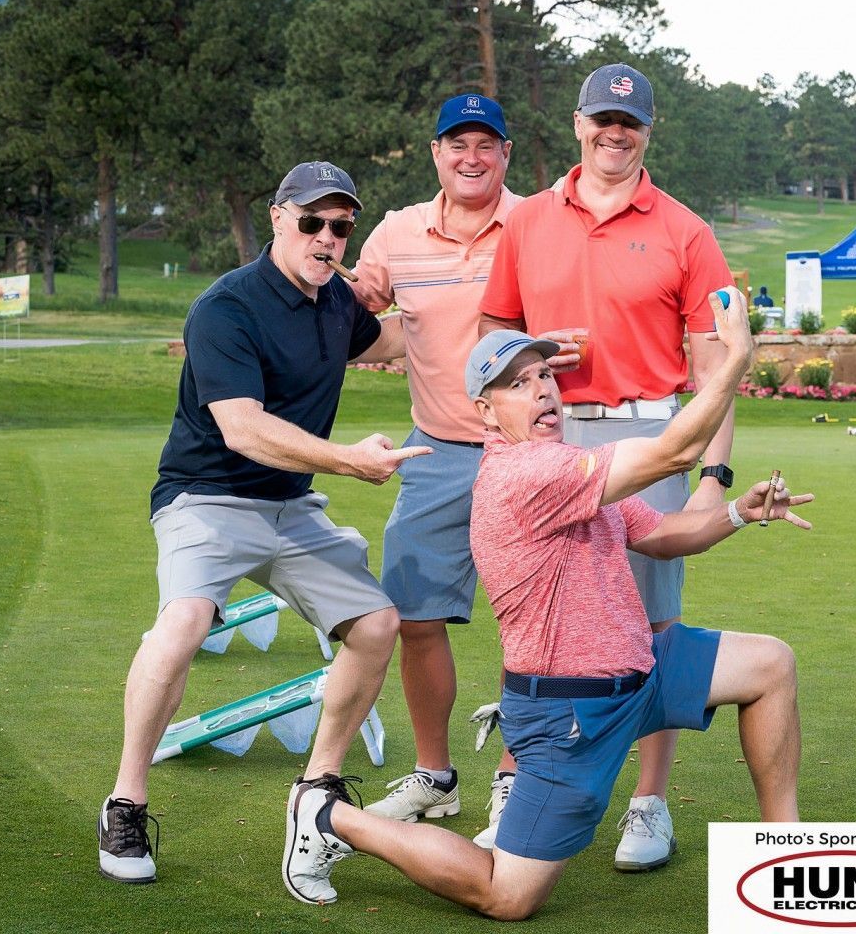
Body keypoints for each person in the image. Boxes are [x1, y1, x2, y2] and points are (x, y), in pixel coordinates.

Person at [282, 292, 807, 919]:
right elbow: (673, 453)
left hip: (642, 675)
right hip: (569, 715)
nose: (541, 391)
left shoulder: (569, 469)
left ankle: (788, 855)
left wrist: (735, 513)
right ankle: (326, 813)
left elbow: (665, 537)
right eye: (514, 383)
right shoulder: (524, 477)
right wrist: (734, 358)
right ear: (484, 411)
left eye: (542, 376)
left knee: (770, 664)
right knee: (508, 895)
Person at [98, 161, 424, 887]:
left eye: (341, 226)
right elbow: (243, 430)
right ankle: (125, 801)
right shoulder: (226, 308)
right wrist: (346, 459)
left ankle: (319, 790)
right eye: (312, 221)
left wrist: (495, 315)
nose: (327, 237)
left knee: (375, 627)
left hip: (291, 508)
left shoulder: (336, 304)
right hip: (206, 498)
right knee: (182, 625)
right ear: (278, 217)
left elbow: (393, 341)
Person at [478, 61, 737, 870]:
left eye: (629, 123)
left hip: (648, 431)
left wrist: (712, 478)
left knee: (653, 625)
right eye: (601, 119)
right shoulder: (526, 222)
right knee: (539, 623)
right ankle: (517, 786)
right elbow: (490, 340)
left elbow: (715, 368)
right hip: (547, 437)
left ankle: (648, 804)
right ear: (578, 124)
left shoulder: (684, 229)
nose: (613, 133)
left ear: (647, 131)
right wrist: (533, 359)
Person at [350, 94, 550, 845]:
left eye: (486, 145)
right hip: (435, 450)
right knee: (414, 617)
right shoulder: (397, 232)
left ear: (504, 154)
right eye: (456, 143)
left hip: (526, 456)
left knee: (531, 628)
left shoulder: (537, 224)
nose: (471, 157)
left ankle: (513, 775)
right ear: (435, 152)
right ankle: (435, 777)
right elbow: (354, 306)